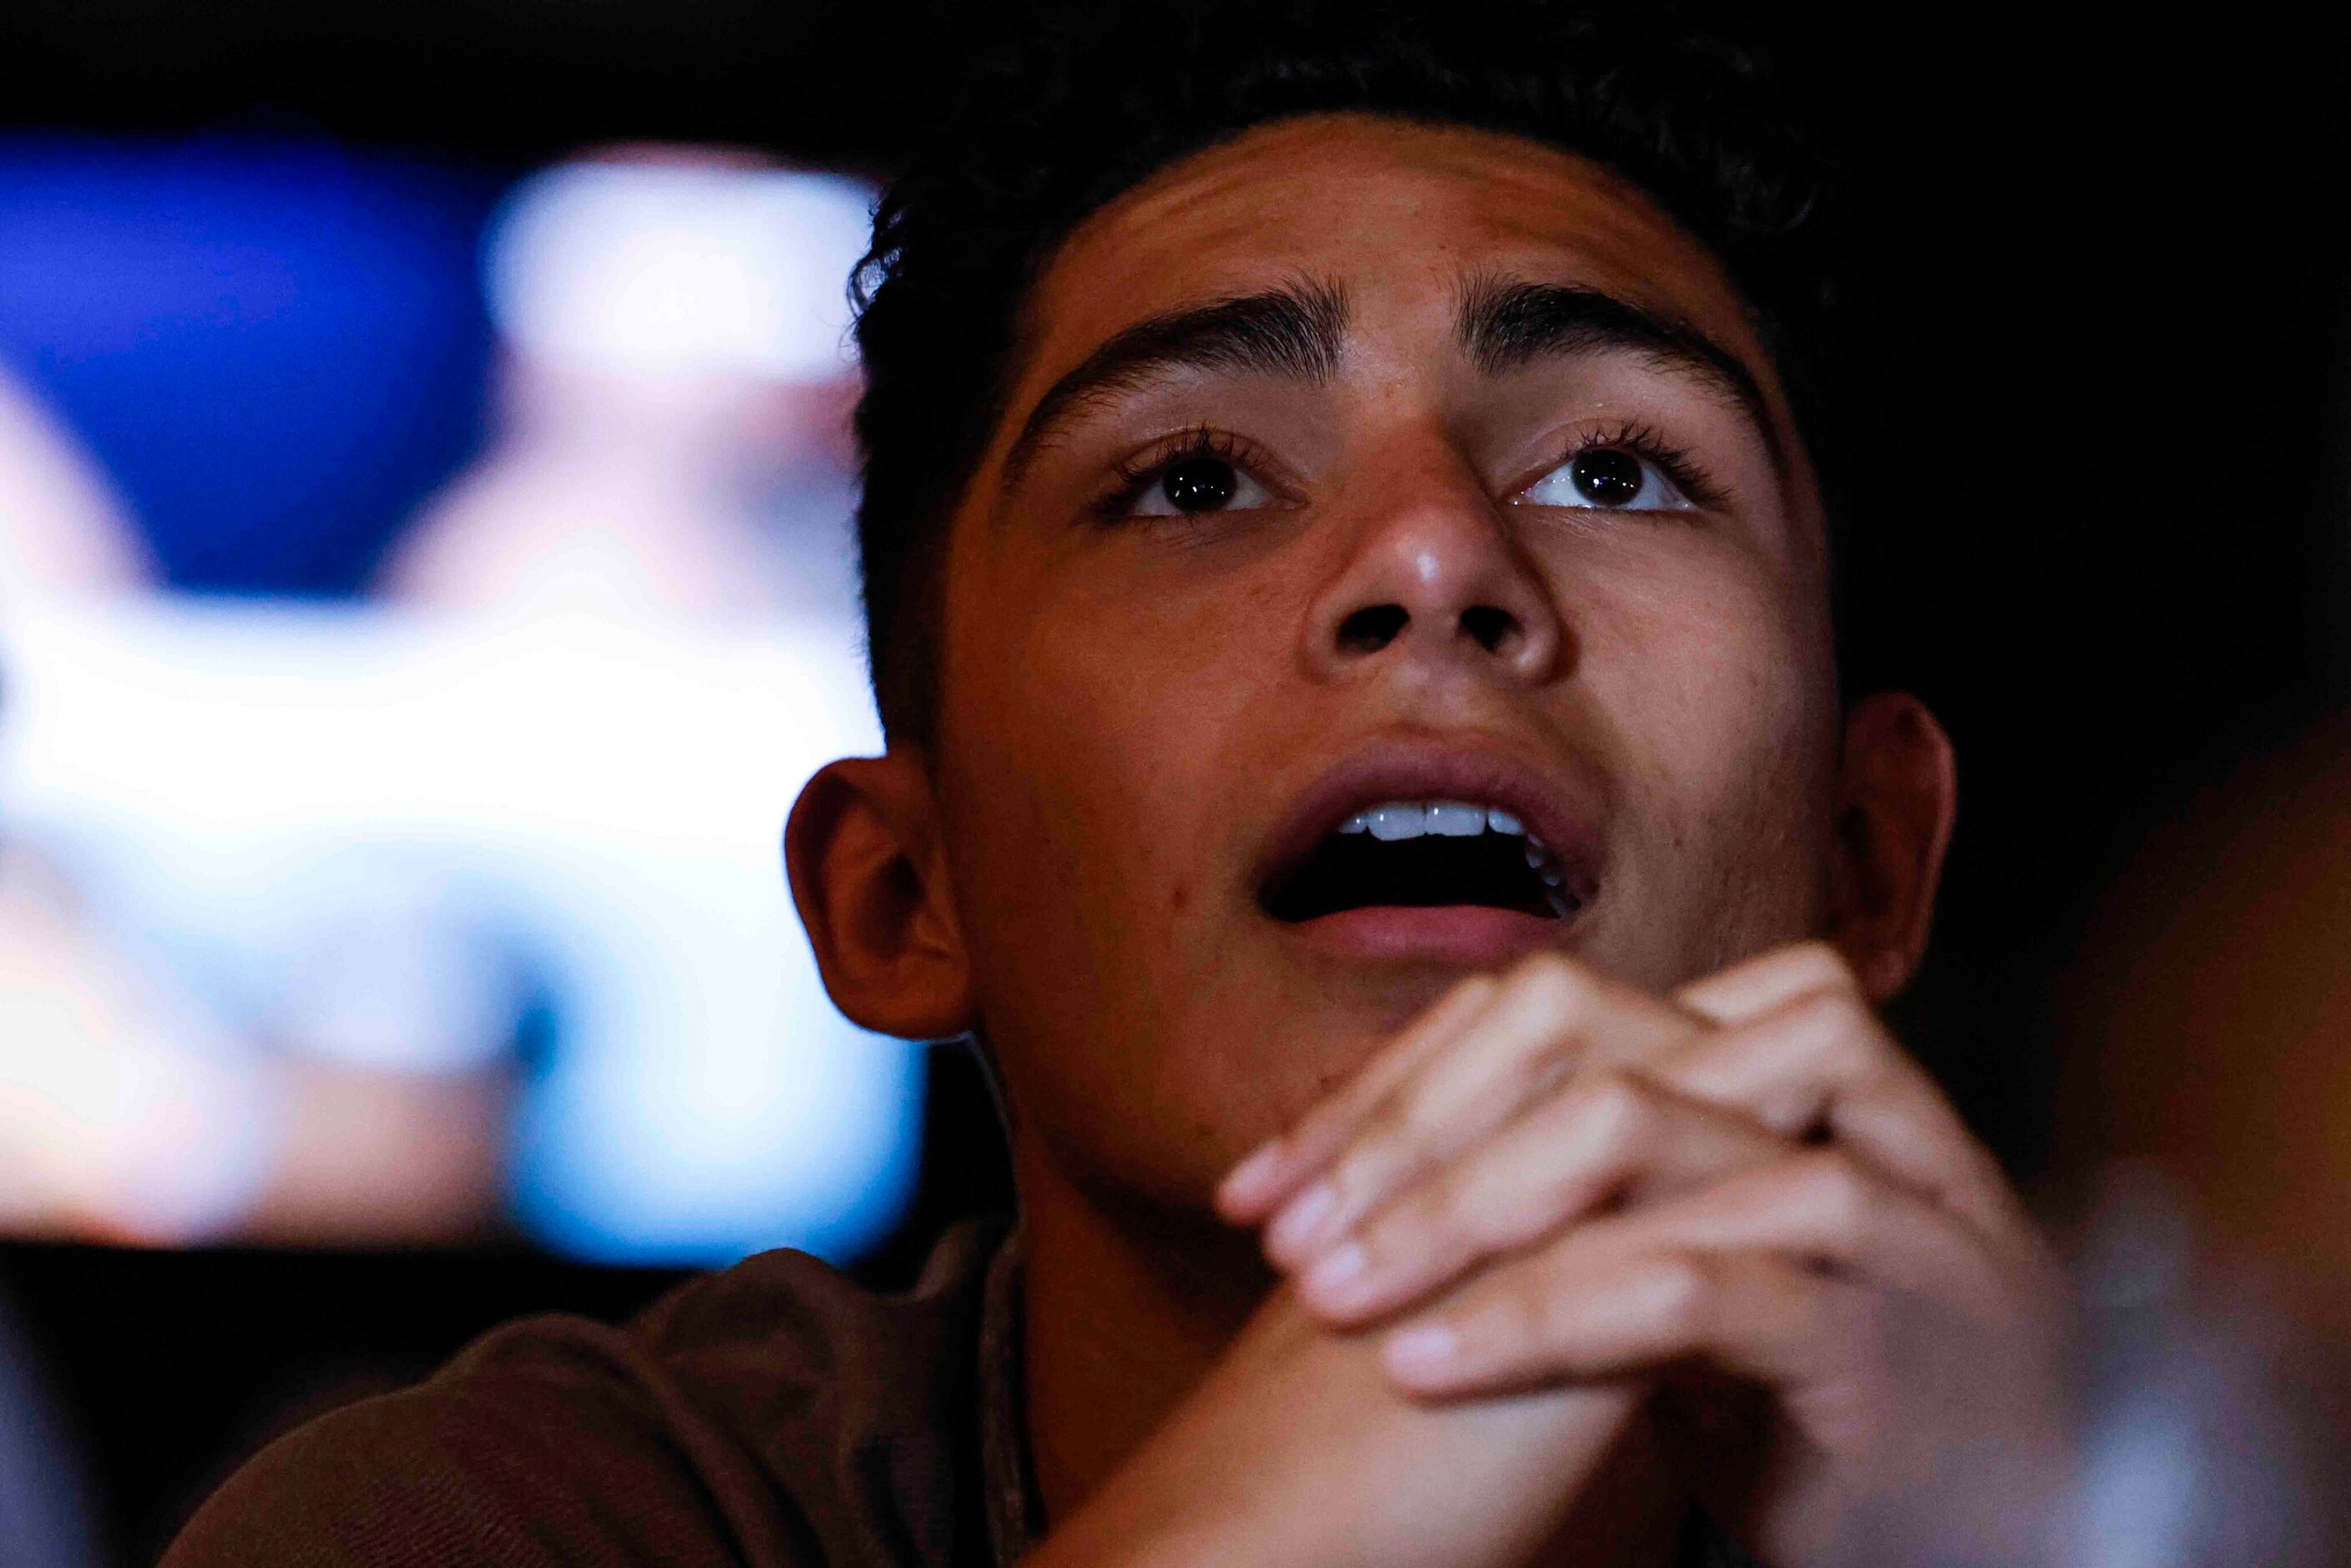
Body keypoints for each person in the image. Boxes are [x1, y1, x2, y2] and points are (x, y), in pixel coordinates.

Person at [164, 3, 2071, 1565]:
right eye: (1193, 481)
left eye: (1616, 472)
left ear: (1867, 859)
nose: (1432, 559)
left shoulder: (2146, 1497)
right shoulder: (494, 1520)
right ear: (905, 899)